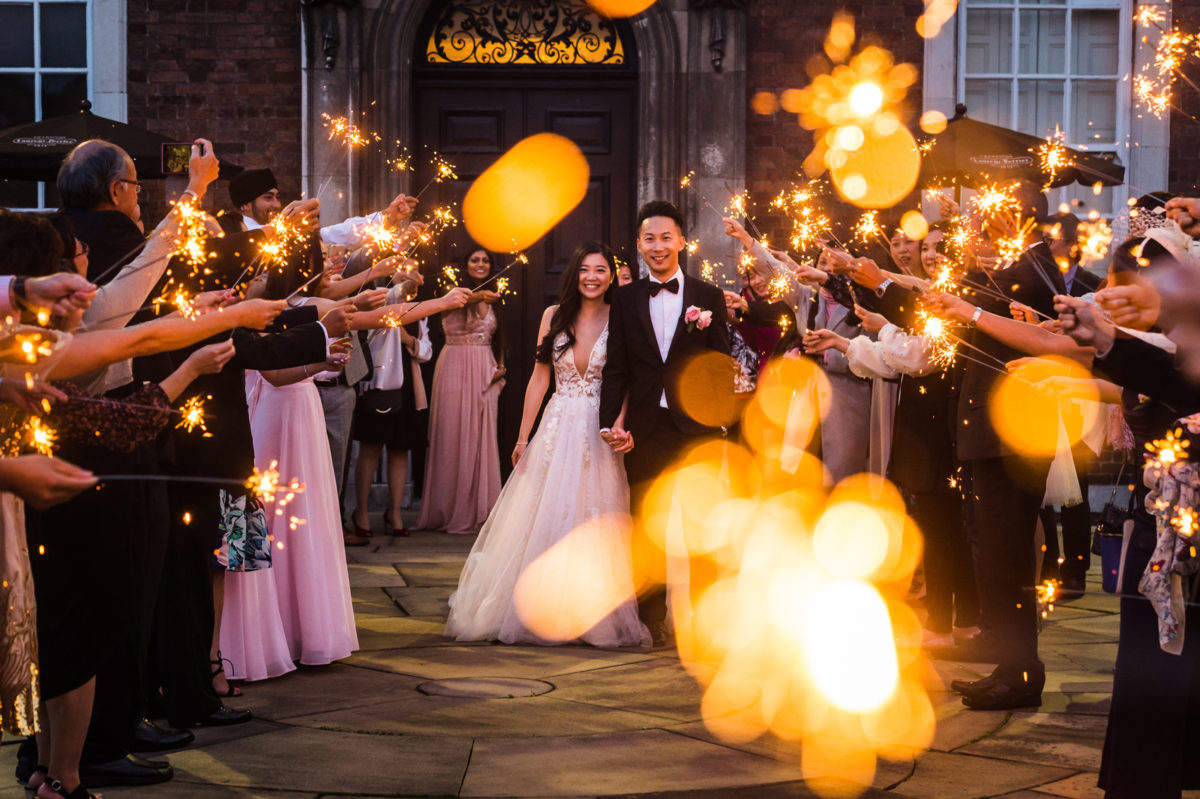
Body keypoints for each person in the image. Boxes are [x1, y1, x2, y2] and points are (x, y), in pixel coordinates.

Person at [446, 242, 648, 646]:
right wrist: (523, 436)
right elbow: (539, 379)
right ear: (574, 274)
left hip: (600, 428)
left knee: (593, 515)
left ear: (611, 277)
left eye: (601, 270)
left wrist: (621, 423)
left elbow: (626, 378)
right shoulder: (552, 316)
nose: (592, 277)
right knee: (544, 513)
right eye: (585, 269)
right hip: (557, 425)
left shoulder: (621, 316)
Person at [599, 200, 733, 645]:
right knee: (645, 524)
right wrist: (609, 422)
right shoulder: (624, 298)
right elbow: (615, 365)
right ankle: (651, 618)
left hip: (695, 429)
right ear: (638, 245)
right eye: (649, 239)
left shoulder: (708, 297)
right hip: (643, 428)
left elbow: (720, 364)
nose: (658, 247)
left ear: (682, 241)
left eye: (665, 237)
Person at [416, 246, 505, 535]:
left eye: (485, 260)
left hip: (484, 369)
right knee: (451, 433)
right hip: (454, 364)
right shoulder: (452, 290)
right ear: (466, 264)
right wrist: (479, 295)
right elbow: (456, 305)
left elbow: (504, 334)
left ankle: (480, 509)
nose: (480, 264)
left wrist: (501, 366)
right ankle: (446, 508)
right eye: (474, 259)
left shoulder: (497, 296)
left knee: (482, 435)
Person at [350, 285, 433, 538]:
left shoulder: (420, 310)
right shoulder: (378, 302)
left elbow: (426, 350)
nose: (413, 278)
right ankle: (361, 511)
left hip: (408, 387)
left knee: (400, 449)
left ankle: (394, 512)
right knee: (371, 447)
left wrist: (408, 338)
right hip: (379, 385)